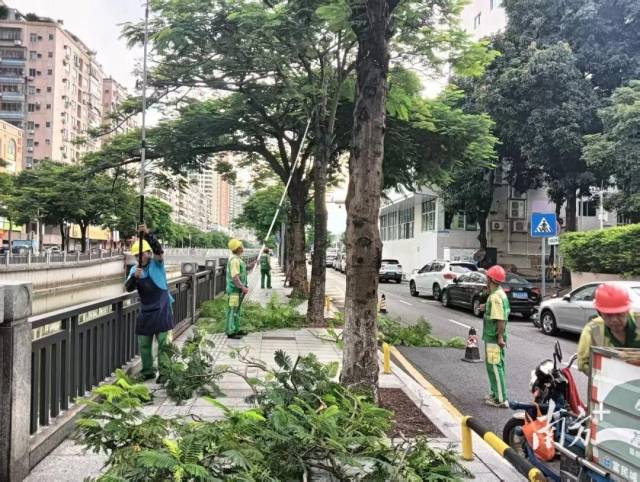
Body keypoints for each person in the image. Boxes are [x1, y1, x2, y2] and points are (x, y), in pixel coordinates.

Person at [125, 225, 173, 383]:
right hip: (146, 310)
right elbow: (128, 288)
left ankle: (165, 372)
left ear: (148, 253)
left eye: (142, 254)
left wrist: (147, 234)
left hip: (162, 309)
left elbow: (159, 251)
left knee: (164, 343)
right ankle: (147, 371)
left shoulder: (157, 264)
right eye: (136, 255)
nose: (139, 257)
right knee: (144, 343)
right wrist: (135, 277)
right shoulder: (134, 269)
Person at [577, 283, 640, 374]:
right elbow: (583, 363)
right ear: (600, 313)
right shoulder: (592, 330)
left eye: (619, 313)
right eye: (608, 315)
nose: (614, 320)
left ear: (627, 310)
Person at [482, 265, 510, 408]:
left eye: (487, 277)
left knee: (495, 367)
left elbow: (500, 319)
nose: (486, 279)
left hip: (493, 337)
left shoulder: (495, 297)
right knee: (495, 366)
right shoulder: (500, 294)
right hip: (494, 336)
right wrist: (485, 307)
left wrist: (499, 338)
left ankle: (500, 398)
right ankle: (495, 393)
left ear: (491, 279)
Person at [226, 239, 249, 339]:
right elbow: (235, 277)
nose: (243, 247)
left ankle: (236, 329)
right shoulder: (234, 260)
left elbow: (241, 271)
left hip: (237, 290)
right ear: (238, 248)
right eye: (241, 246)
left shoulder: (237, 259)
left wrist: (253, 264)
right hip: (234, 290)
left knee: (236, 310)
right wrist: (243, 287)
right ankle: (230, 331)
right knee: (232, 310)